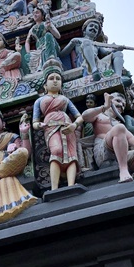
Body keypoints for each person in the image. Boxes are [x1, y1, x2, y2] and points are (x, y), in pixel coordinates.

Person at [32, 60, 83, 190]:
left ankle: (71, 184)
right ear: (45, 85)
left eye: (58, 79)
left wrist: (74, 125)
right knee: (56, 150)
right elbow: (35, 122)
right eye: (51, 78)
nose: (55, 81)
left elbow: (79, 117)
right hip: (50, 127)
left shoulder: (65, 99)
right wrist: (39, 125)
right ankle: (54, 187)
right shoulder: (39, 100)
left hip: (67, 126)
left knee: (72, 154)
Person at [20, 5, 60, 74]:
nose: (35, 15)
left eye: (37, 12)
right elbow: (27, 41)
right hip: (39, 49)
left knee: (48, 35)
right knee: (28, 56)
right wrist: (28, 52)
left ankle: (51, 58)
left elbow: (58, 36)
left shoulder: (46, 23)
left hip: (49, 46)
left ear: (42, 16)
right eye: (33, 13)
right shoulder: (32, 29)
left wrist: (50, 27)